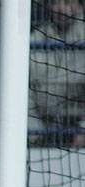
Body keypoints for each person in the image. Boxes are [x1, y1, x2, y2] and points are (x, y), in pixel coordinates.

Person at [29, 0, 85, 148]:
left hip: (75, 123)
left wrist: (83, 130)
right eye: (55, 3)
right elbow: (22, 89)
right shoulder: (36, 37)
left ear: (80, 7)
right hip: (41, 124)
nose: (61, 8)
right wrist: (35, 133)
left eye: (67, 2)